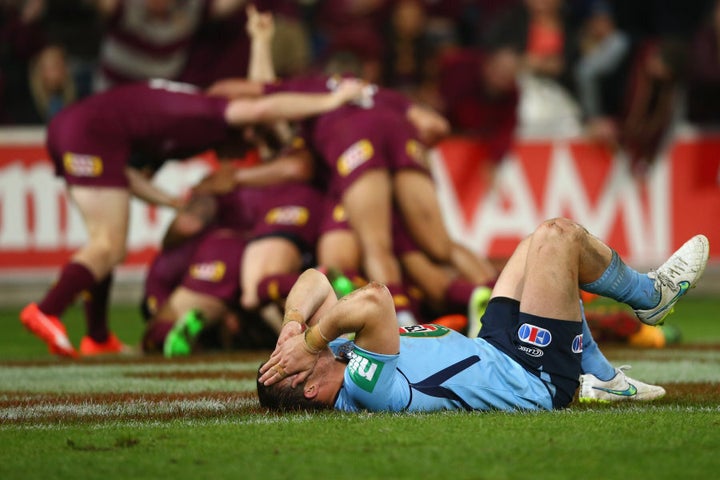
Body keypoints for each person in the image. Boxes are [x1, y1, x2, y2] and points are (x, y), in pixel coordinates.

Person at [18, 76, 366, 358]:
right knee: (108, 246)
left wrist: (169, 200)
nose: (247, 145)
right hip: (89, 132)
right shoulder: (210, 112)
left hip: (78, 129)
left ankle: (96, 337)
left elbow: (124, 175)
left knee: (104, 245)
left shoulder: (180, 122)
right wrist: (330, 101)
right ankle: (48, 310)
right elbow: (263, 106)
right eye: (246, 136)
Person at [257, 218, 709, 411]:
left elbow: (315, 278)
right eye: (289, 363)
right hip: (531, 379)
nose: (297, 351)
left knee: (536, 244)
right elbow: (376, 300)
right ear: (310, 387)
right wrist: (312, 342)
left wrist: (292, 327)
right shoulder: (363, 388)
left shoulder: (334, 353)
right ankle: (650, 296)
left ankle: (606, 379)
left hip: (492, 347)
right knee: (558, 237)